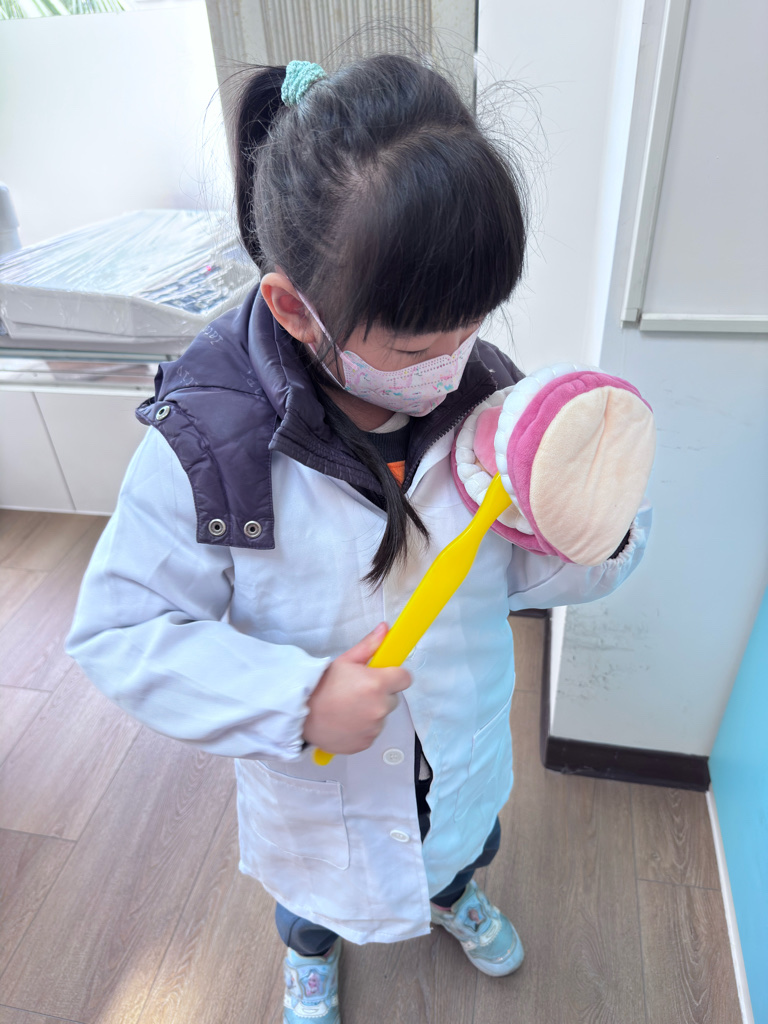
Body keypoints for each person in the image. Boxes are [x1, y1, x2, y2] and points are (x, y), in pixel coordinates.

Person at [66, 55, 651, 1024]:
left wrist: (595, 528)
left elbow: (515, 568)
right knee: (315, 899)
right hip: (319, 783)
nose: (453, 364)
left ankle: (452, 894)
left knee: (462, 843)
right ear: (294, 308)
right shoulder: (206, 445)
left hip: (457, 738)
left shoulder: (488, 402)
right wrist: (297, 700)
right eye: (417, 348)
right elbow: (121, 632)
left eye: (472, 326)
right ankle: (310, 955)